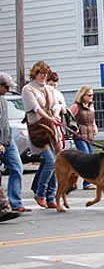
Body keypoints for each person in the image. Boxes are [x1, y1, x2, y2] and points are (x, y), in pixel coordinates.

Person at [21, 61, 61, 208]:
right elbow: (36, 108)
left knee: (56, 162)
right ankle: (40, 193)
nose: (44, 76)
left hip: (51, 130)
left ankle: (52, 197)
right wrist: (49, 117)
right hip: (38, 130)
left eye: (46, 73)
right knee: (50, 161)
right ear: (35, 74)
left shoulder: (49, 89)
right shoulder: (28, 89)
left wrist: (55, 116)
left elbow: (56, 105)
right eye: (41, 73)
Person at [0, 72, 30, 212]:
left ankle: (15, 203)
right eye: (6, 87)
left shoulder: (4, 99)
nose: (7, 90)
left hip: (8, 139)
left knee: (17, 167)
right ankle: (2, 206)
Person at [69, 85, 98, 190]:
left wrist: (94, 126)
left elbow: (92, 118)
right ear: (83, 95)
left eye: (92, 95)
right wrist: (73, 128)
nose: (91, 97)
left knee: (90, 158)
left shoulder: (91, 106)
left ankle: (84, 181)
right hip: (80, 135)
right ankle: (86, 183)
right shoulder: (76, 106)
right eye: (89, 95)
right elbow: (68, 117)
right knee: (85, 158)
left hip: (89, 135)